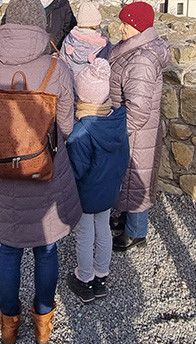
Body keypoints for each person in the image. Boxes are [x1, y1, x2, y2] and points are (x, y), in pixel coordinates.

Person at [0, 0, 81, 344]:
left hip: (2, 172)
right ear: (41, 25)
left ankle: (8, 325)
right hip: (45, 172)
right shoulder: (57, 69)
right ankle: (43, 323)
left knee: (8, 250)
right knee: (46, 248)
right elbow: (66, 127)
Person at [108, 1, 171, 251]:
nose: (120, 28)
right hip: (130, 129)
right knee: (129, 179)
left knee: (136, 180)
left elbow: (138, 110)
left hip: (135, 132)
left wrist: (117, 133)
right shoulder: (134, 50)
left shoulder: (142, 60)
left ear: (138, 26)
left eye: (125, 24)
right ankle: (126, 219)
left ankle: (136, 233)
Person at [65, 58, 129, 303]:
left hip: (86, 193)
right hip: (109, 188)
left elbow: (76, 171)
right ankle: (101, 276)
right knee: (103, 229)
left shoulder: (81, 131)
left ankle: (85, 278)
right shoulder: (117, 121)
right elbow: (125, 157)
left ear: (82, 96)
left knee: (85, 234)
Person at [60, 0, 111, 78]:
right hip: (94, 83)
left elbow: (62, 61)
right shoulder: (104, 43)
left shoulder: (70, 39)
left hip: (71, 80)